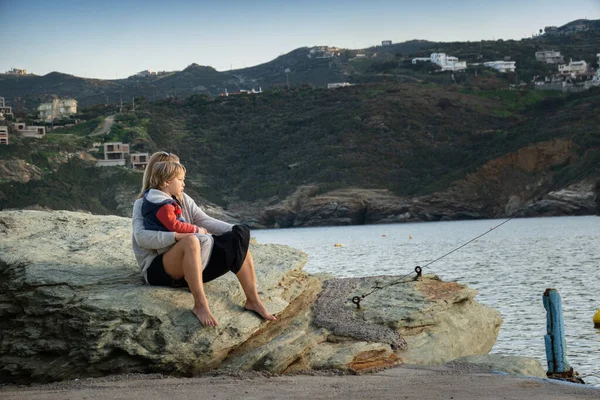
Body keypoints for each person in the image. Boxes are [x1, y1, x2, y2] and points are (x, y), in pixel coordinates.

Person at [131, 151, 276, 327]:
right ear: (162, 176)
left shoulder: (182, 198)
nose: (182, 179)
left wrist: (234, 230)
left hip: (193, 262)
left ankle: (253, 300)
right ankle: (200, 305)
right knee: (191, 240)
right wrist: (178, 236)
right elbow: (142, 239)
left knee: (237, 239)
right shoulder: (144, 203)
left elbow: (203, 220)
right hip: (159, 269)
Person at [141, 161, 201, 234]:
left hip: (166, 238)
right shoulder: (163, 205)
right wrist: (196, 229)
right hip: (167, 240)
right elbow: (174, 226)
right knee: (204, 239)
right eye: (180, 179)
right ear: (166, 182)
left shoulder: (152, 199)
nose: (183, 184)